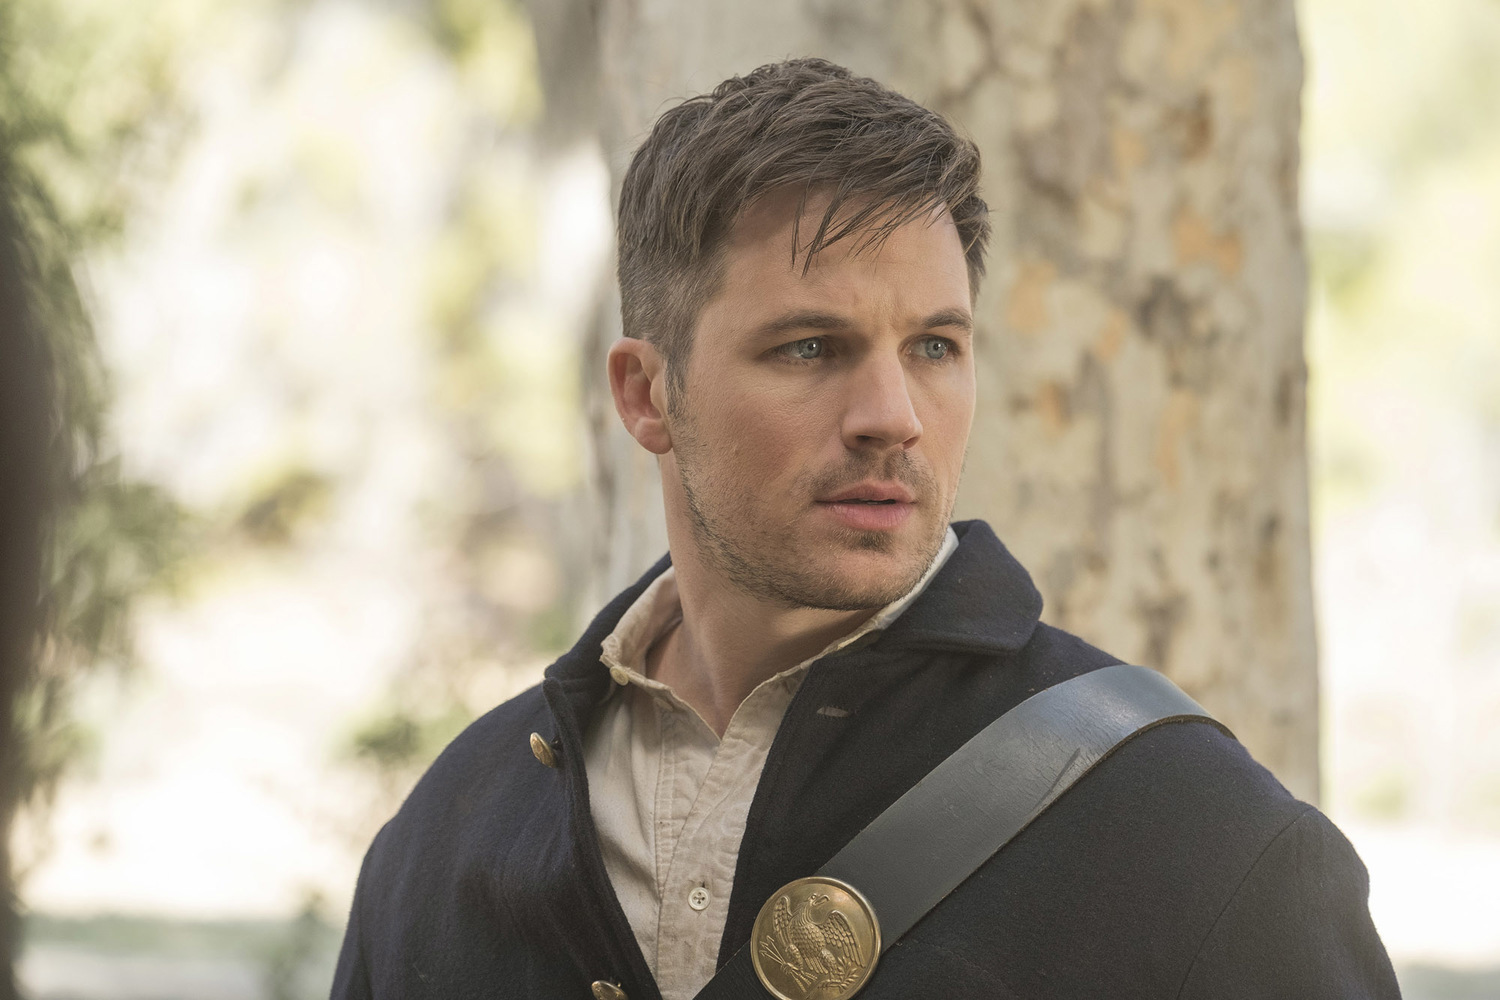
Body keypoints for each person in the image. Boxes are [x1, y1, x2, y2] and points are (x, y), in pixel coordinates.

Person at [332, 58, 1399, 1000]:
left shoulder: (1205, 841)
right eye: (809, 347)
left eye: (935, 347)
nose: (893, 416)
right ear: (647, 394)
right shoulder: (448, 836)